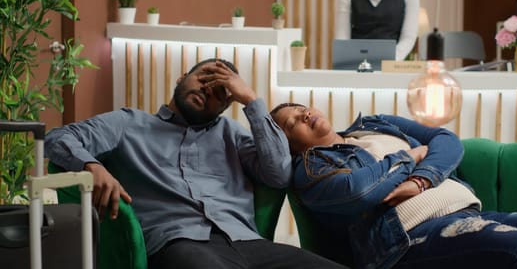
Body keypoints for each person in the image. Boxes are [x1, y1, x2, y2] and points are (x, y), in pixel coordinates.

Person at [44, 59, 346, 269]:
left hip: (248, 242)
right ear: (181, 79)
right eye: (204, 78)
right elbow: (59, 138)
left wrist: (252, 101)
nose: (207, 90)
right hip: (179, 243)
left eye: (220, 93)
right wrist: (91, 166)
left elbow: (278, 174)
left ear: (225, 107)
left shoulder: (233, 135)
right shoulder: (129, 123)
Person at [270, 103, 517, 269]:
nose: (303, 114)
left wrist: (421, 178)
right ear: (289, 145)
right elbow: (360, 190)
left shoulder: (374, 124)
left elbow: (446, 140)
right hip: (409, 238)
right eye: (291, 123)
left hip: (468, 213)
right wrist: (410, 154)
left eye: (301, 107)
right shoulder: (311, 172)